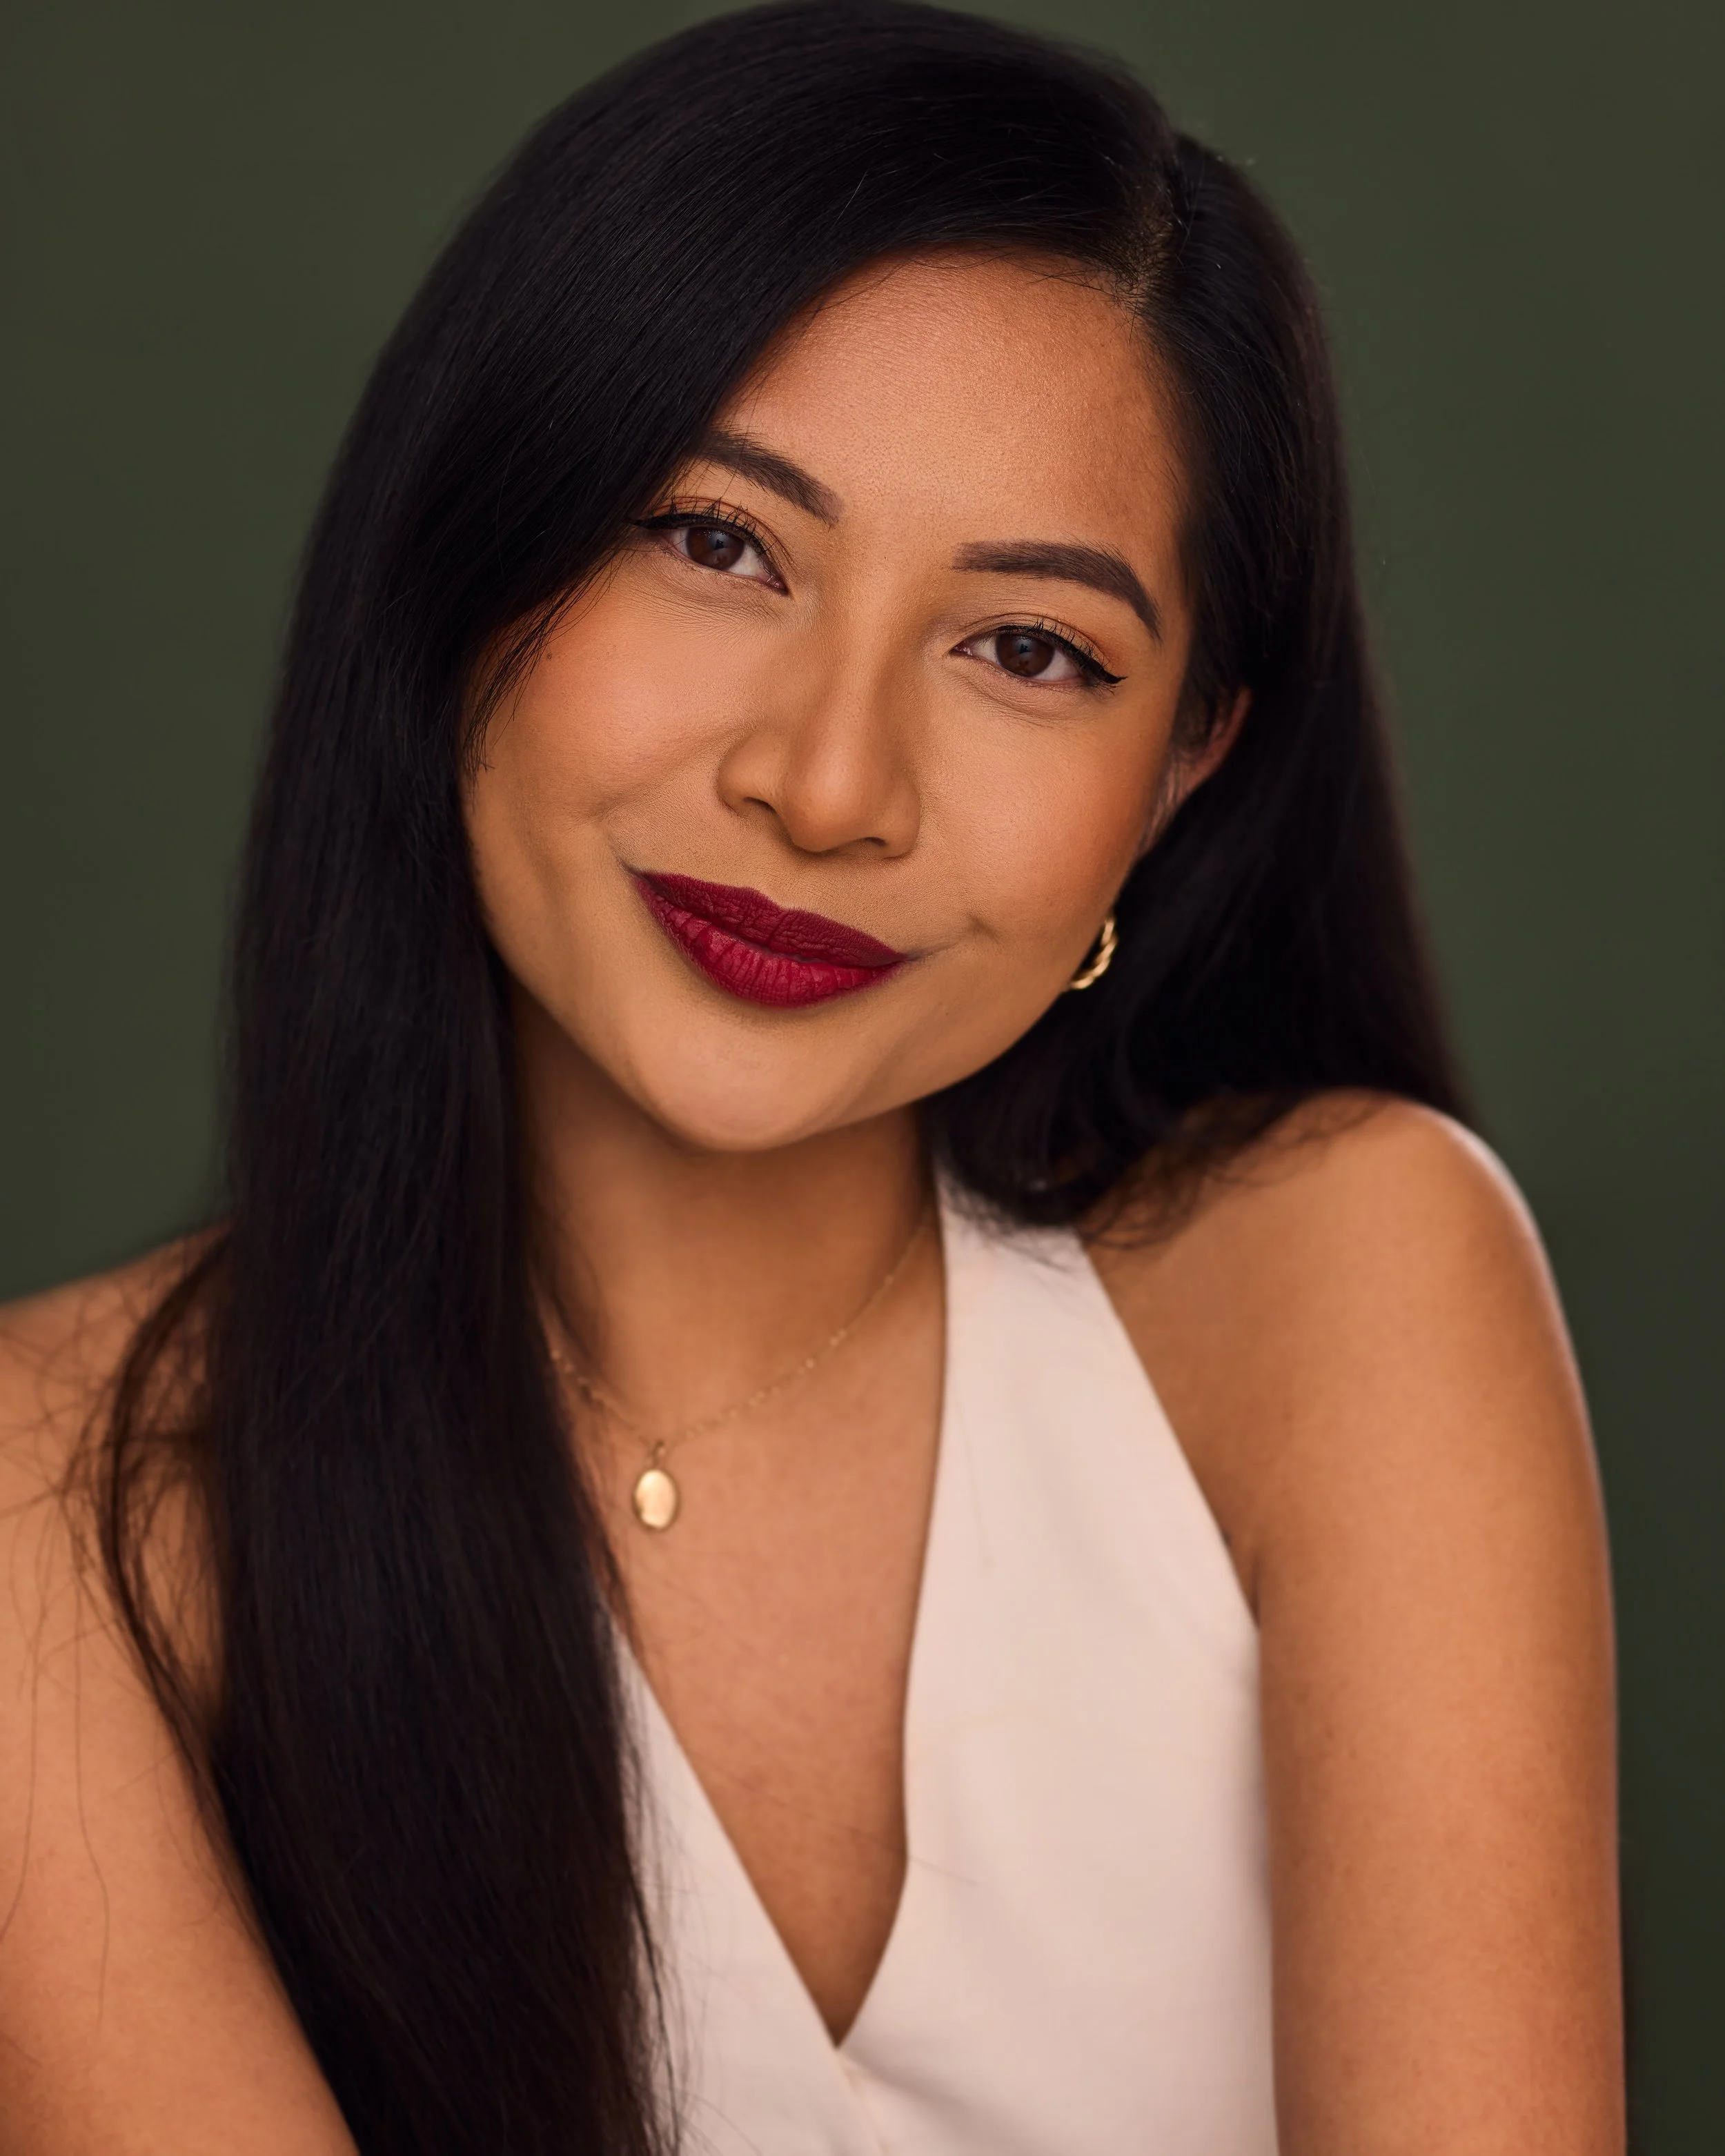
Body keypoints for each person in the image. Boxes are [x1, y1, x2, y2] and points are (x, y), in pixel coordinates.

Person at [0, 4, 1622, 2150]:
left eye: (1030, 651)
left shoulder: (1336, 1277)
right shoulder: (56, 1506)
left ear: (1181, 770)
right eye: (718, 542)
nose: (827, 783)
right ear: (469, 554)